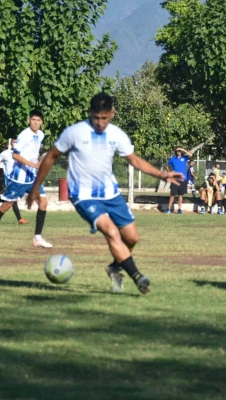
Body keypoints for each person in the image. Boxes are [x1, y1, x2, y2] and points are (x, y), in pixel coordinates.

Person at [27, 93, 182, 294]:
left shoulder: (116, 135)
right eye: (96, 117)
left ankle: (115, 267)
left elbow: (134, 160)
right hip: (83, 194)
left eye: (104, 118)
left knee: (132, 237)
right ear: (90, 113)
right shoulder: (74, 132)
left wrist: (162, 174)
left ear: (112, 114)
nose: (100, 122)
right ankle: (138, 277)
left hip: (111, 193)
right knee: (111, 231)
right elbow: (51, 156)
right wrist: (35, 187)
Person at [0, 110, 52, 249]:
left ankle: (37, 238)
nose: (36, 122)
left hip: (32, 177)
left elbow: (33, 153)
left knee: (43, 203)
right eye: (33, 120)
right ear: (29, 120)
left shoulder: (40, 134)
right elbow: (15, 156)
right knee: (7, 205)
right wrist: (32, 164)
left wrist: (38, 163)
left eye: (38, 120)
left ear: (41, 122)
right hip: (20, 178)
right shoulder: (24, 135)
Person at [0, 138, 29, 225]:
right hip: (9, 179)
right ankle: (20, 219)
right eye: (14, 142)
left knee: (10, 200)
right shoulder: (5, 153)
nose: (16, 144)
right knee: (13, 199)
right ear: (11, 143)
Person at [165, 146, 192, 214]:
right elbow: (167, 166)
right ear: (175, 151)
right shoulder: (172, 159)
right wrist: (170, 172)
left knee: (180, 194)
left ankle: (179, 209)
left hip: (183, 179)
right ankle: (168, 209)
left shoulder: (184, 158)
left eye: (180, 151)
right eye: (177, 150)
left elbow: (190, 155)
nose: (179, 152)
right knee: (172, 194)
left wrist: (183, 149)